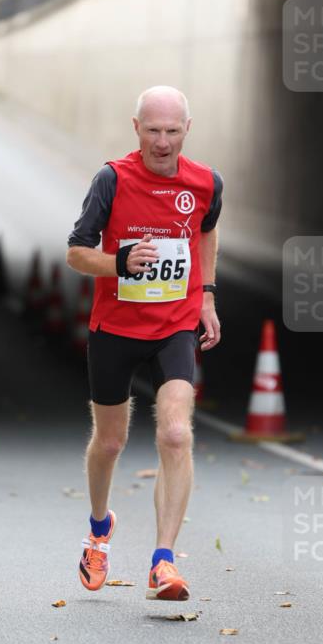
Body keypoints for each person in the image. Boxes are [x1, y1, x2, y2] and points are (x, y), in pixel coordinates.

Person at [66, 86, 222, 601]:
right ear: (136, 128)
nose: (162, 141)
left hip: (174, 326)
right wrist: (118, 261)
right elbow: (75, 253)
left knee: (175, 433)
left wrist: (206, 296)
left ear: (187, 130)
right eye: (152, 130)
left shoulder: (205, 183)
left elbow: (206, 231)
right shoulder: (111, 179)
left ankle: (163, 561)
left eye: (172, 131)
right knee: (109, 443)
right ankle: (98, 527)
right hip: (114, 328)